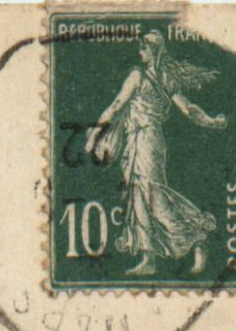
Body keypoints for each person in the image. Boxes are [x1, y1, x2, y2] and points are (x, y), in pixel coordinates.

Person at [85, 29, 228, 277]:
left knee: (154, 197)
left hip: (146, 141)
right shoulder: (165, 79)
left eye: (144, 48)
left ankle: (196, 236)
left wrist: (93, 135)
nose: (140, 52)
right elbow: (190, 109)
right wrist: (211, 121)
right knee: (139, 196)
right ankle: (148, 258)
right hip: (140, 141)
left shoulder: (138, 76)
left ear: (153, 51)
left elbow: (117, 105)